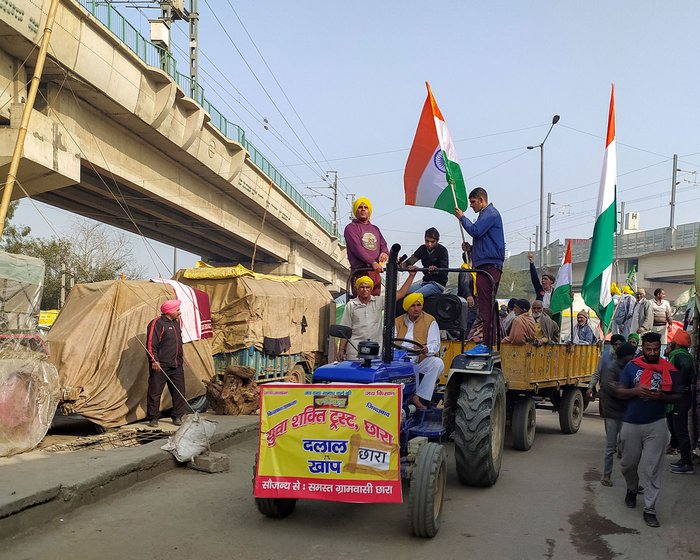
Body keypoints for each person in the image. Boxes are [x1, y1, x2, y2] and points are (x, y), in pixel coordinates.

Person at [616, 331, 680, 528]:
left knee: (653, 468)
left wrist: (661, 396)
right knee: (628, 464)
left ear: (659, 348)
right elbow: (619, 390)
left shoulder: (668, 368)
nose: (651, 352)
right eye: (648, 349)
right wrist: (635, 391)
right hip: (632, 422)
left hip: (657, 424)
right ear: (642, 348)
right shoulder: (632, 366)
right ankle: (632, 488)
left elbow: (677, 395)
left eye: (655, 349)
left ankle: (650, 508)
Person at [454, 187, 505, 348]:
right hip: (486, 264)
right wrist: (471, 249)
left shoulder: (491, 214)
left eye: (473, 202)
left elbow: (476, 231)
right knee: (486, 305)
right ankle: (489, 341)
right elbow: (483, 239)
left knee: (485, 307)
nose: (472, 206)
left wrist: (462, 218)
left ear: (482, 200)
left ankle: (488, 343)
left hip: (489, 265)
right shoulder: (486, 215)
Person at [337, 271, 416, 361]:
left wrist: (411, 276)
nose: (365, 290)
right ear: (357, 289)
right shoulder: (351, 305)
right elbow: (345, 329)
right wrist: (341, 350)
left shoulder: (378, 302)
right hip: (355, 352)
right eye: (362, 287)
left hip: (374, 351)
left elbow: (400, 294)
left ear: (371, 289)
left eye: (367, 287)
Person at [593, 342, 636, 486]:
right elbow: (614, 390)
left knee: (629, 448)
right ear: (625, 356)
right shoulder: (611, 368)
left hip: (626, 412)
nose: (633, 358)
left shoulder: (629, 368)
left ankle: (632, 480)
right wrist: (632, 392)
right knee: (611, 447)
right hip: (612, 412)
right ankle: (607, 475)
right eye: (631, 355)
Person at [394, 292, 444, 410]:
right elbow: (392, 341)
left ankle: (418, 397)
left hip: (419, 358)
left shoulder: (430, 321)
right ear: (407, 308)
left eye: (418, 305)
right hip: (399, 360)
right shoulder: (398, 321)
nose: (416, 308)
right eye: (413, 306)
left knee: (437, 363)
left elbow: (435, 344)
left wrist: (427, 349)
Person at [146, 299, 188, 427]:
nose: (180, 312)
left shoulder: (176, 323)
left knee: (179, 391)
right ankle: (153, 418)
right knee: (155, 392)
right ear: (170, 311)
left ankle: (177, 416)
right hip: (160, 365)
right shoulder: (157, 323)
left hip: (176, 364)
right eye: (177, 310)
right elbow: (151, 343)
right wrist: (154, 360)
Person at [344, 197, 388, 297]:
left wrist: (384, 252)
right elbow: (357, 248)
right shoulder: (351, 228)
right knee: (361, 304)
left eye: (365, 207)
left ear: (369, 211)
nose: (363, 209)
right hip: (360, 271)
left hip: (375, 272)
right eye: (360, 207)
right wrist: (373, 262)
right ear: (356, 210)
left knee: (375, 304)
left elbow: (383, 244)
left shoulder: (375, 229)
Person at [667, 329, 696, 474]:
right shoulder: (680, 355)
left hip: (681, 397)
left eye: (673, 341)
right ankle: (684, 460)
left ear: (677, 343)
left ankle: (687, 463)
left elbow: (685, 368)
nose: (671, 342)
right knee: (678, 429)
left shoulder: (680, 356)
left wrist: (678, 384)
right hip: (682, 395)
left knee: (681, 431)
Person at [402, 227, 449, 297]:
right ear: (424, 239)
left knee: (414, 296)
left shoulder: (443, 250)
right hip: (424, 283)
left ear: (437, 241)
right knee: (402, 293)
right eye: (427, 241)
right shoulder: (422, 249)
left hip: (437, 285)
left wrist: (435, 270)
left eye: (432, 242)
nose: (429, 244)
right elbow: (411, 260)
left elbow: (444, 271)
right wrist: (402, 265)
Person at [587, 334, 627, 400]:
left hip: (620, 393)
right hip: (605, 392)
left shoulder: (626, 358)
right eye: (615, 344)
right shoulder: (605, 357)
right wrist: (590, 387)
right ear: (612, 345)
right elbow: (597, 373)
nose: (617, 346)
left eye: (620, 344)